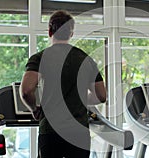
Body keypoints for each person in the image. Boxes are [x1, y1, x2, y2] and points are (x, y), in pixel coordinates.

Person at [20, 10, 106, 158]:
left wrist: (34, 109)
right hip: (79, 133)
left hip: (51, 131)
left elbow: (26, 91)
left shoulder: (40, 58)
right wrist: (81, 99)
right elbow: (102, 95)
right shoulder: (85, 59)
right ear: (71, 34)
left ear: (49, 31)